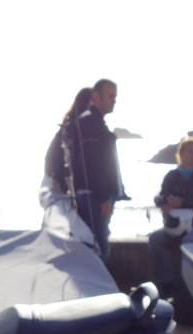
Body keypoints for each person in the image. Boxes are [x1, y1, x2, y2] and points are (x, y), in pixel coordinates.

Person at [40, 79, 128, 260]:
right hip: (93, 199)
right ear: (96, 97)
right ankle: (99, 288)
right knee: (98, 251)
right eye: (111, 96)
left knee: (93, 248)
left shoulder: (91, 123)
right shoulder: (89, 124)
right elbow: (92, 164)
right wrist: (104, 198)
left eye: (115, 96)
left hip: (90, 198)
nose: (114, 101)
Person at [148, 135, 193, 324]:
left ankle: (187, 287)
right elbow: (160, 197)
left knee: (187, 243)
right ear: (181, 153)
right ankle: (168, 282)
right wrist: (165, 202)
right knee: (155, 239)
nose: (191, 154)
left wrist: (179, 203)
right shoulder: (172, 175)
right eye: (188, 150)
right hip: (176, 227)